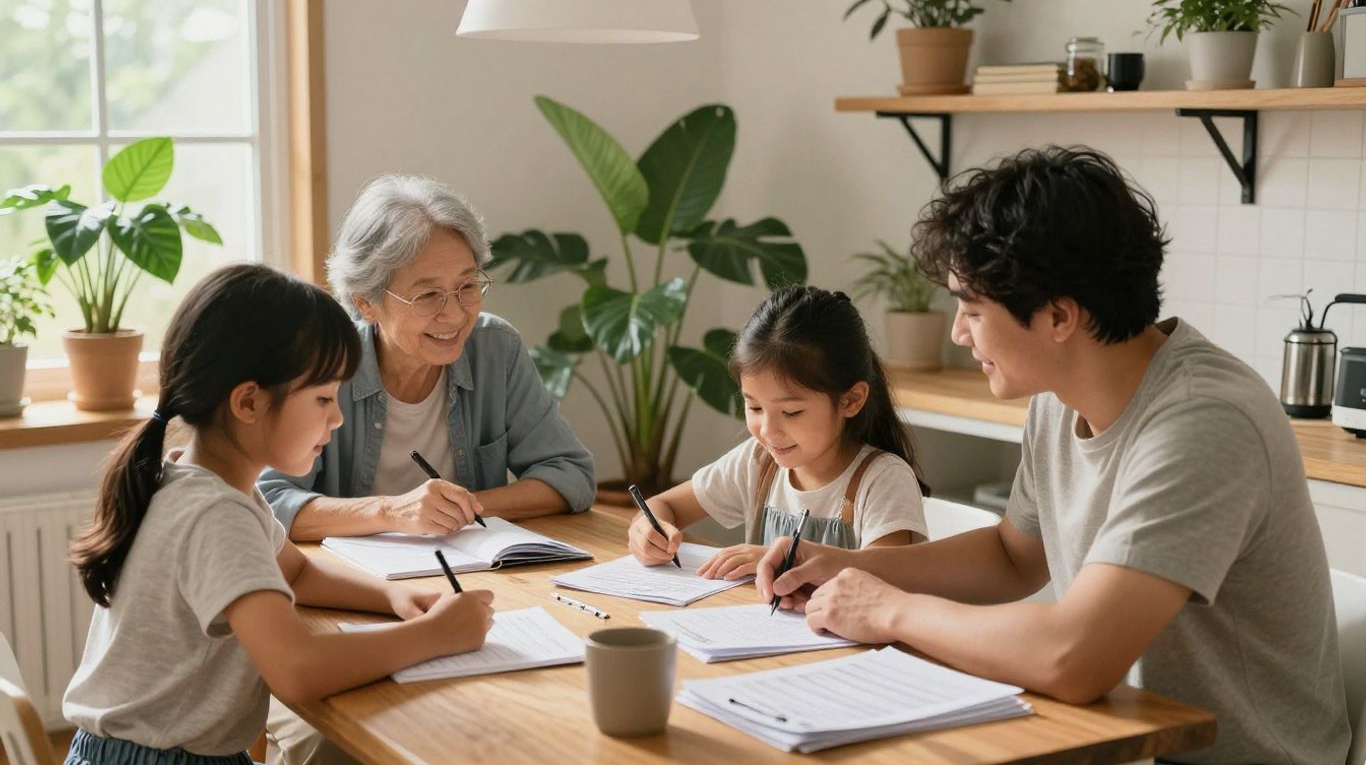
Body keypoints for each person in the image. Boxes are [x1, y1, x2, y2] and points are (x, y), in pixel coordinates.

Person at [756, 146, 1350, 764]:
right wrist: (848, 565)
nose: (959, 332)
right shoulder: (1060, 397)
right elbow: (1013, 557)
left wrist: (891, 610)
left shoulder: (1205, 421)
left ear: (1060, 316)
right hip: (1110, 740)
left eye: (973, 309)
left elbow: (1074, 659)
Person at [62, 264, 495, 765]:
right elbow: (297, 669)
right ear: (248, 401)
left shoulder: (199, 482)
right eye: (322, 398)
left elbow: (299, 571)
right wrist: (434, 636)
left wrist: (395, 596)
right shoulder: (216, 515)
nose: (336, 417)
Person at [258, 174, 595, 542]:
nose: (454, 315)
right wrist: (393, 513)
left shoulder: (495, 349)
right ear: (365, 302)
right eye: (428, 295)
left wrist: (458, 509)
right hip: (350, 582)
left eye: (467, 286)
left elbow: (570, 475)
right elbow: (269, 502)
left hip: (473, 571)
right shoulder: (322, 364)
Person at [629, 286, 928, 581]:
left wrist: (787, 561)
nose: (768, 431)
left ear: (850, 400)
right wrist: (648, 529)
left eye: (791, 413)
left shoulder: (883, 479)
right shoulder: (759, 462)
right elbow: (663, 506)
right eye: (755, 408)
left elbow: (885, 579)